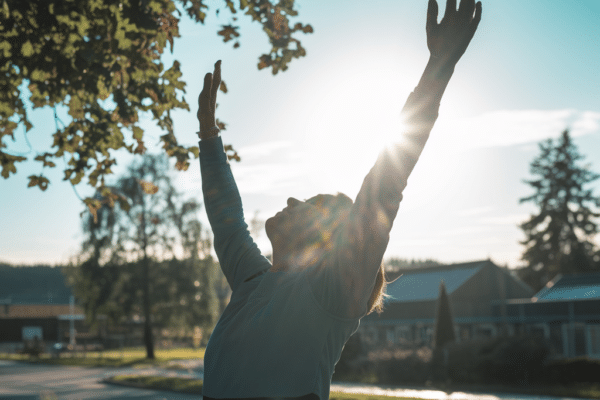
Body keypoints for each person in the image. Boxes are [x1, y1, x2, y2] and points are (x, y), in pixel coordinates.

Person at [197, 0, 482, 399]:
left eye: (310, 203)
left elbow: (385, 185)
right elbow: (227, 219)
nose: (293, 199)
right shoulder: (252, 282)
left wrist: (440, 66)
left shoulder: (329, 293)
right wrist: (208, 137)